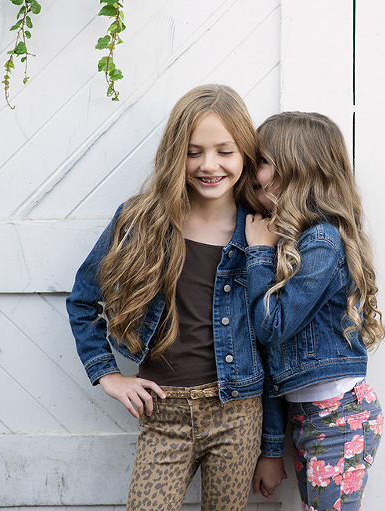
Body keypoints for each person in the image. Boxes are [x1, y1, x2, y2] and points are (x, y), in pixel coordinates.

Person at [66, 84, 265, 511]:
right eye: (194, 151)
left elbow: (277, 338)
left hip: (238, 413)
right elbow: (83, 300)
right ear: (176, 152)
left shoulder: (261, 231)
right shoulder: (142, 220)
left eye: (224, 151)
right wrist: (107, 374)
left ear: (246, 153)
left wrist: (270, 447)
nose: (208, 165)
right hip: (163, 414)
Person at [245, 112, 385, 511]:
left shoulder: (321, 242)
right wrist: (272, 448)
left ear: (296, 171)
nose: (254, 172)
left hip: (341, 417)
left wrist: (257, 253)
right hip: (311, 417)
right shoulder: (290, 240)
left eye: (263, 161)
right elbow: (272, 360)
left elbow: (272, 327)